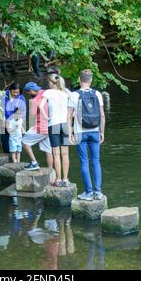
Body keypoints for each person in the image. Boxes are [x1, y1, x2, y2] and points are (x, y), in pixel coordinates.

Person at [68, 69, 105, 201]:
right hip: (95, 131)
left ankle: (88, 193)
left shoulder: (74, 95)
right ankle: (98, 192)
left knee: (84, 161)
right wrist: (102, 132)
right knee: (96, 161)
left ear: (80, 79)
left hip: (80, 132)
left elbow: (69, 117)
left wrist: (70, 132)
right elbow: (102, 115)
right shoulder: (97, 94)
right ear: (91, 80)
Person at [39, 73, 71, 187]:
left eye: (49, 82)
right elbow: (74, 107)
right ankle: (66, 179)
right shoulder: (66, 92)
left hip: (54, 124)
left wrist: (46, 117)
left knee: (56, 154)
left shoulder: (48, 92)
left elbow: (40, 106)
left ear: (52, 82)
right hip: (65, 125)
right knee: (65, 154)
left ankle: (58, 179)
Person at [22, 82, 53, 170]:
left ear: (31, 91)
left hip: (41, 128)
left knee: (24, 142)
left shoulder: (35, 101)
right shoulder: (44, 93)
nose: (28, 94)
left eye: (28, 92)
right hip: (49, 127)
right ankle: (50, 170)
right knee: (48, 150)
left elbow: (32, 114)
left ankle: (34, 163)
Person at [3, 83, 26, 153]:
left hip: (17, 122)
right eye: (14, 92)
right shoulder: (4, 95)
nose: (16, 94)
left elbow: (23, 112)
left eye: (18, 92)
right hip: (5, 121)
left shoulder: (21, 97)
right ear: (10, 90)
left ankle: (16, 161)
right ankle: (7, 158)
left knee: (17, 144)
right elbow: (1, 109)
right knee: (5, 143)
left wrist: (20, 123)